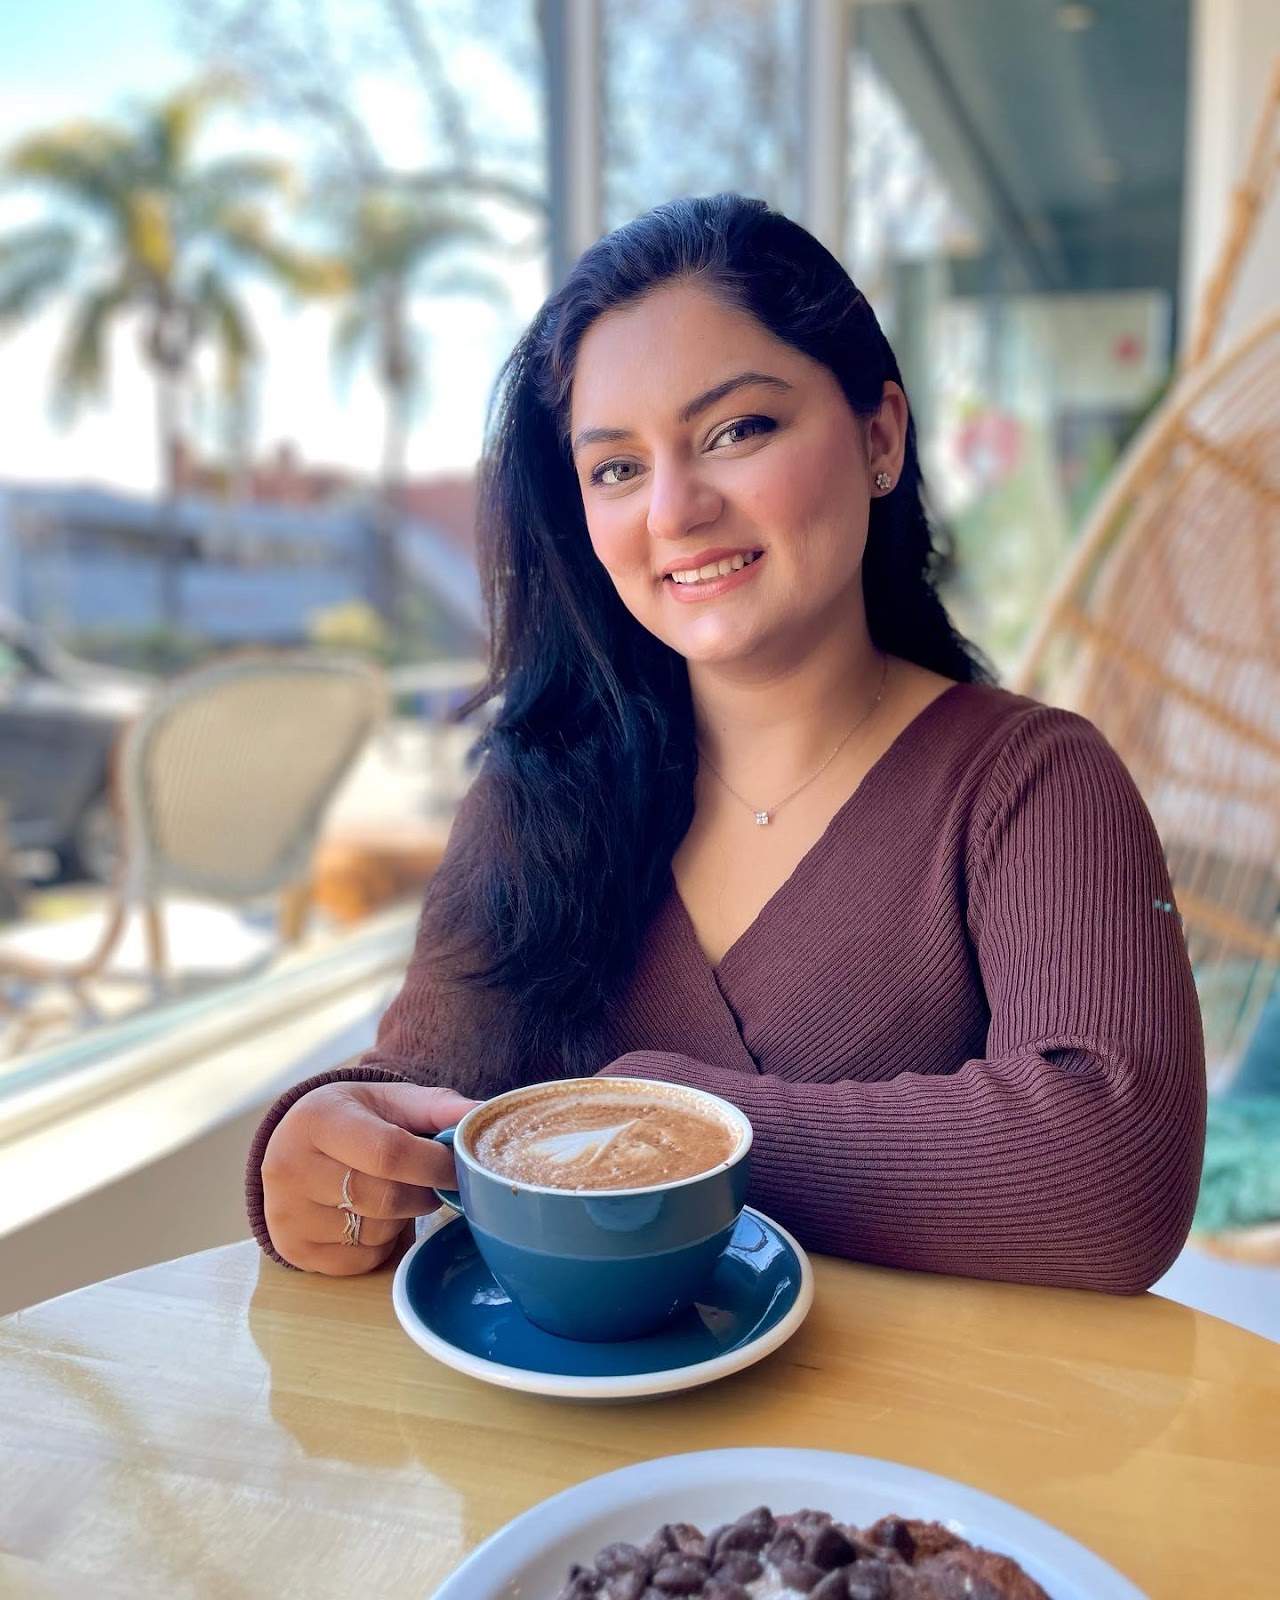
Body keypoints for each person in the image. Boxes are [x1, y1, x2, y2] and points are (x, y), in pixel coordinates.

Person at [249, 194, 1206, 1292]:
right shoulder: (535, 795)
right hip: (566, 1456)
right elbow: (410, 1099)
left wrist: (655, 1120)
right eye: (615, 467)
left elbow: (1107, 1172)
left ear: (878, 435)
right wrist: (320, 1144)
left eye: (735, 431)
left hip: (908, 1454)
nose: (675, 508)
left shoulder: (1032, 785)